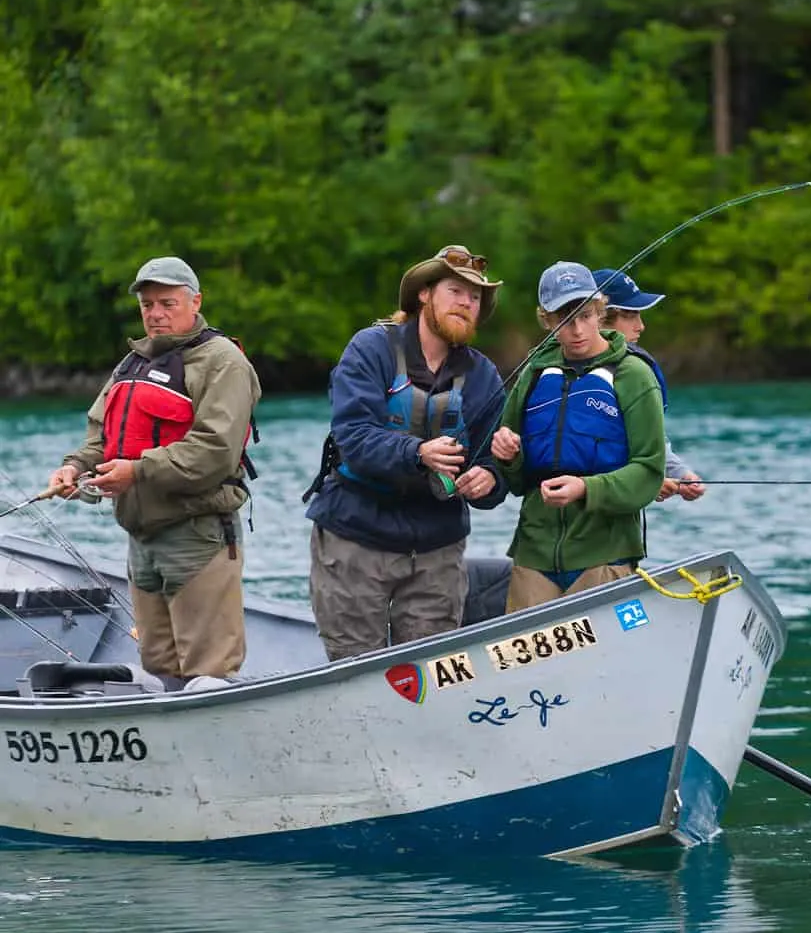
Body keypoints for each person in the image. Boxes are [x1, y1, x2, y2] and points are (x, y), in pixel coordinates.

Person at [48, 257, 260, 687]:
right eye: (148, 305)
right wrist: (74, 468)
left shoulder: (223, 362)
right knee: (160, 669)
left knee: (209, 673)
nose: (156, 314)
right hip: (141, 539)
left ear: (195, 301)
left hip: (197, 535)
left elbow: (214, 450)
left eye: (167, 302)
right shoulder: (132, 363)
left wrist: (137, 472)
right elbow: (100, 437)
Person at [305, 244, 507, 660]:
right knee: (355, 671)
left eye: (475, 297)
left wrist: (488, 478)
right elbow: (353, 437)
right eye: (456, 291)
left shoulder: (483, 374)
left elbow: (495, 466)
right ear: (424, 295)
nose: (467, 303)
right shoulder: (370, 349)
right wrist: (418, 453)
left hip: (437, 546)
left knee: (433, 672)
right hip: (355, 536)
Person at [491, 261, 665, 614]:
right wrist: (508, 456)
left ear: (600, 312)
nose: (577, 330)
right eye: (564, 319)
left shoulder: (635, 375)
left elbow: (649, 472)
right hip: (533, 554)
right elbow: (515, 479)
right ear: (547, 321)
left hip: (605, 555)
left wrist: (587, 489)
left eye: (586, 315)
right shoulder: (534, 375)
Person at [593, 268, 705, 505]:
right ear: (600, 317)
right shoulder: (559, 375)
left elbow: (650, 441)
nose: (641, 326)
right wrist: (644, 482)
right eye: (631, 315)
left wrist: (680, 473)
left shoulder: (632, 372)